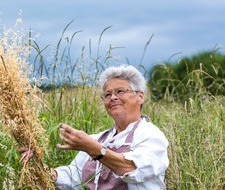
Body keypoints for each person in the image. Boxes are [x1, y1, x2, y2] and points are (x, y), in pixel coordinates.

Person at [20, 65, 169, 190]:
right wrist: (39, 167)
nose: (113, 98)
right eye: (107, 94)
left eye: (120, 91)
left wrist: (93, 149)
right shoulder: (98, 139)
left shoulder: (151, 136)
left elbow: (131, 169)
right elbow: (73, 176)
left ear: (140, 96)